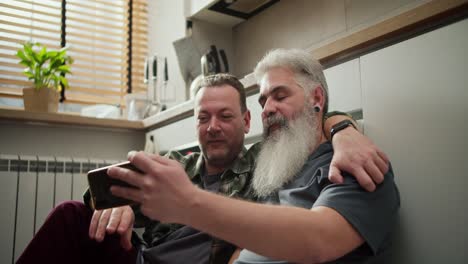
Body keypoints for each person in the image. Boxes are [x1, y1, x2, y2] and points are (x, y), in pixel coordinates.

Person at [16, 71, 389, 264]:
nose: (212, 127)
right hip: (142, 259)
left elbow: (307, 126)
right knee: (69, 215)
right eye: (203, 118)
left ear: (246, 121)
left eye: (225, 117)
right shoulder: (174, 165)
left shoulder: (268, 162)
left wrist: (342, 129)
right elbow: (102, 192)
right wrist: (117, 209)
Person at [108, 49, 400, 264]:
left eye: (280, 96)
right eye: (263, 100)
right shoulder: (271, 171)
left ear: (317, 98)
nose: (268, 108)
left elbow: (317, 240)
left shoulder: (356, 165)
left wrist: (188, 203)